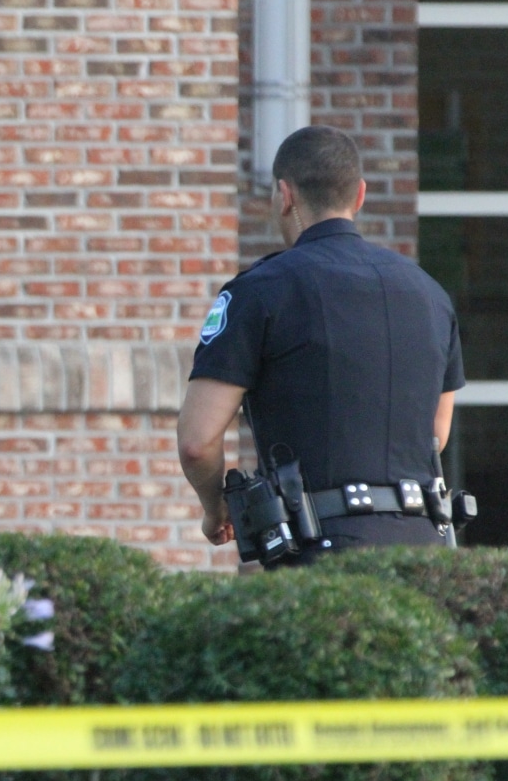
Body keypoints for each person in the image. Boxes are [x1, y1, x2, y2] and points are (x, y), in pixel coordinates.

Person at [176, 125, 465, 566]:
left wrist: (215, 505)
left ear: (285, 195)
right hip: (423, 551)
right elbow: (435, 433)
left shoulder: (260, 291)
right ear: (360, 195)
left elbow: (197, 442)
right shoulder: (431, 294)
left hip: (319, 554)